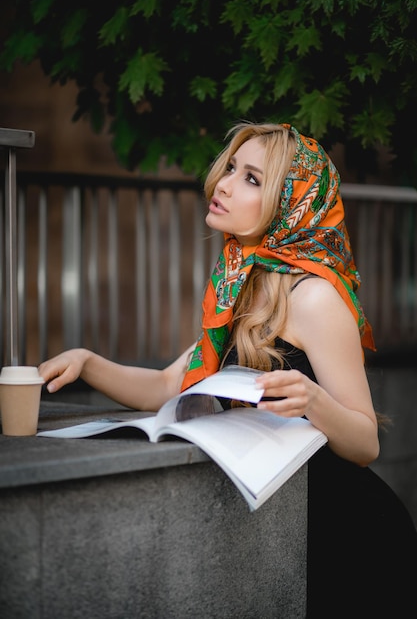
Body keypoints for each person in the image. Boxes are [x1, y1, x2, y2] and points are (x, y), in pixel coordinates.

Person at [39, 122, 417, 617]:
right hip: (281, 527)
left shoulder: (316, 296)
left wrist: (315, 401)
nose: (223, 182)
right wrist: (89, 362)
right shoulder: (241, 278)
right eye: (233, 168)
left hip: (349, 534)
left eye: (252, 179)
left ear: (290, 204)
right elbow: (169, 385)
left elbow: (366, 443)